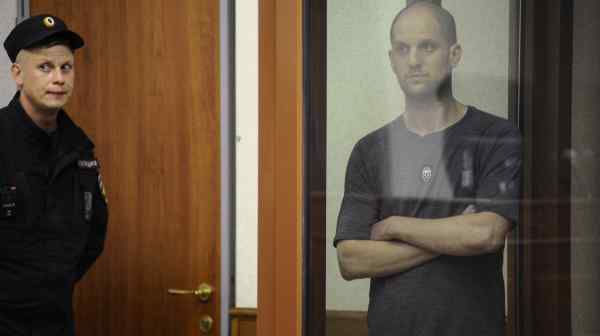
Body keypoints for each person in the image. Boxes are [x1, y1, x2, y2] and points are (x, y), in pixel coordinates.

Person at [334, 2, 521, 336]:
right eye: (403, 49)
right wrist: (454, 236)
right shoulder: (369, 150)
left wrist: (394, 225)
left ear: (454, 54)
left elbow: (486, 233)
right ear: (392, 60)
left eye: (427, 47)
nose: (414, 60)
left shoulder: (496, 137)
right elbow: (351, 259)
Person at [0, 15, 108, 335]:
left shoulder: (79, 148)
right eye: (45, 67)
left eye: (66, 67)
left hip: (55, 319)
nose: (58, 78)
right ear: (17, 75)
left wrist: (50, 282)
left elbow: (93, 236)